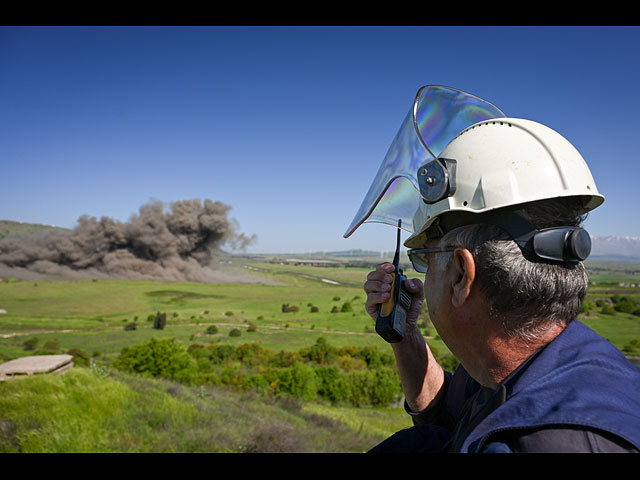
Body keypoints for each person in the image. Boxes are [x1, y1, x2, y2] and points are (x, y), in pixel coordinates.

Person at [355, 112, 640, 453]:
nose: (424, 275)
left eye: (426, 260)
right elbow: (447, 415)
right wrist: (404, 335)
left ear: (461, 274)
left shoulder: (547, 442)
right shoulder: (531, 360)